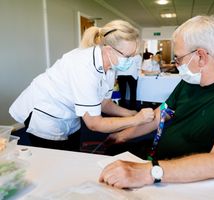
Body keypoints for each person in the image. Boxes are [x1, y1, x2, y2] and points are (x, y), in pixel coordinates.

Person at [98, 15, 214, 188]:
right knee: (111, 154)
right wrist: (122, 135)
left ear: (201, 56)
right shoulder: (191, 81)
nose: (177, 63)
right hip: (159, 158)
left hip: (187, 175)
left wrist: (149, 172)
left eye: (178, 58)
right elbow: (160, 115)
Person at [9, 20, 155, 152]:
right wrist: (136, 120)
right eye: (128, 56)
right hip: (45, 111)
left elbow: (104, 103)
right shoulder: (83, 65)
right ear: (109, 50)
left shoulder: (110, 65)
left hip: (69, 112)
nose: (131, 60)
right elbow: (94, 124)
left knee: (73, 155)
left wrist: (130, 113)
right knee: (55, 162)